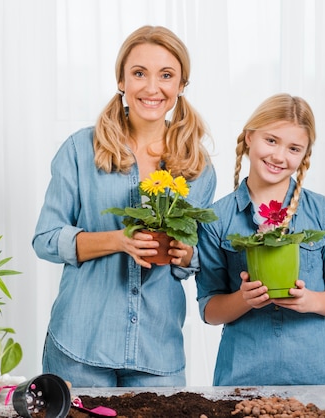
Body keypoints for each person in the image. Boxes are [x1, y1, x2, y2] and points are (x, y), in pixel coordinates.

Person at [32, 25, 216, 387]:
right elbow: (46, 239)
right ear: (121, 81)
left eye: (166, 75)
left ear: (180, 85)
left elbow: (200, 258)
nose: (152, 87)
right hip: (79, 345)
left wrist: (185, 254)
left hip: (157, 352)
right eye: (139, 73)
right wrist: (120, 240)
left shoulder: (197, 165)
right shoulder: (79, 150)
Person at [195, 93, 325, 386]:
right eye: (271, 140)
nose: (279, 156)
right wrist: (243, 299)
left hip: (317, 376)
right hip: (243, 377)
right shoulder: (217, 219)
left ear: (304, 156)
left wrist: (311, 301)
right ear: (249, 137)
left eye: (294, 148)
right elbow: (209, 309)